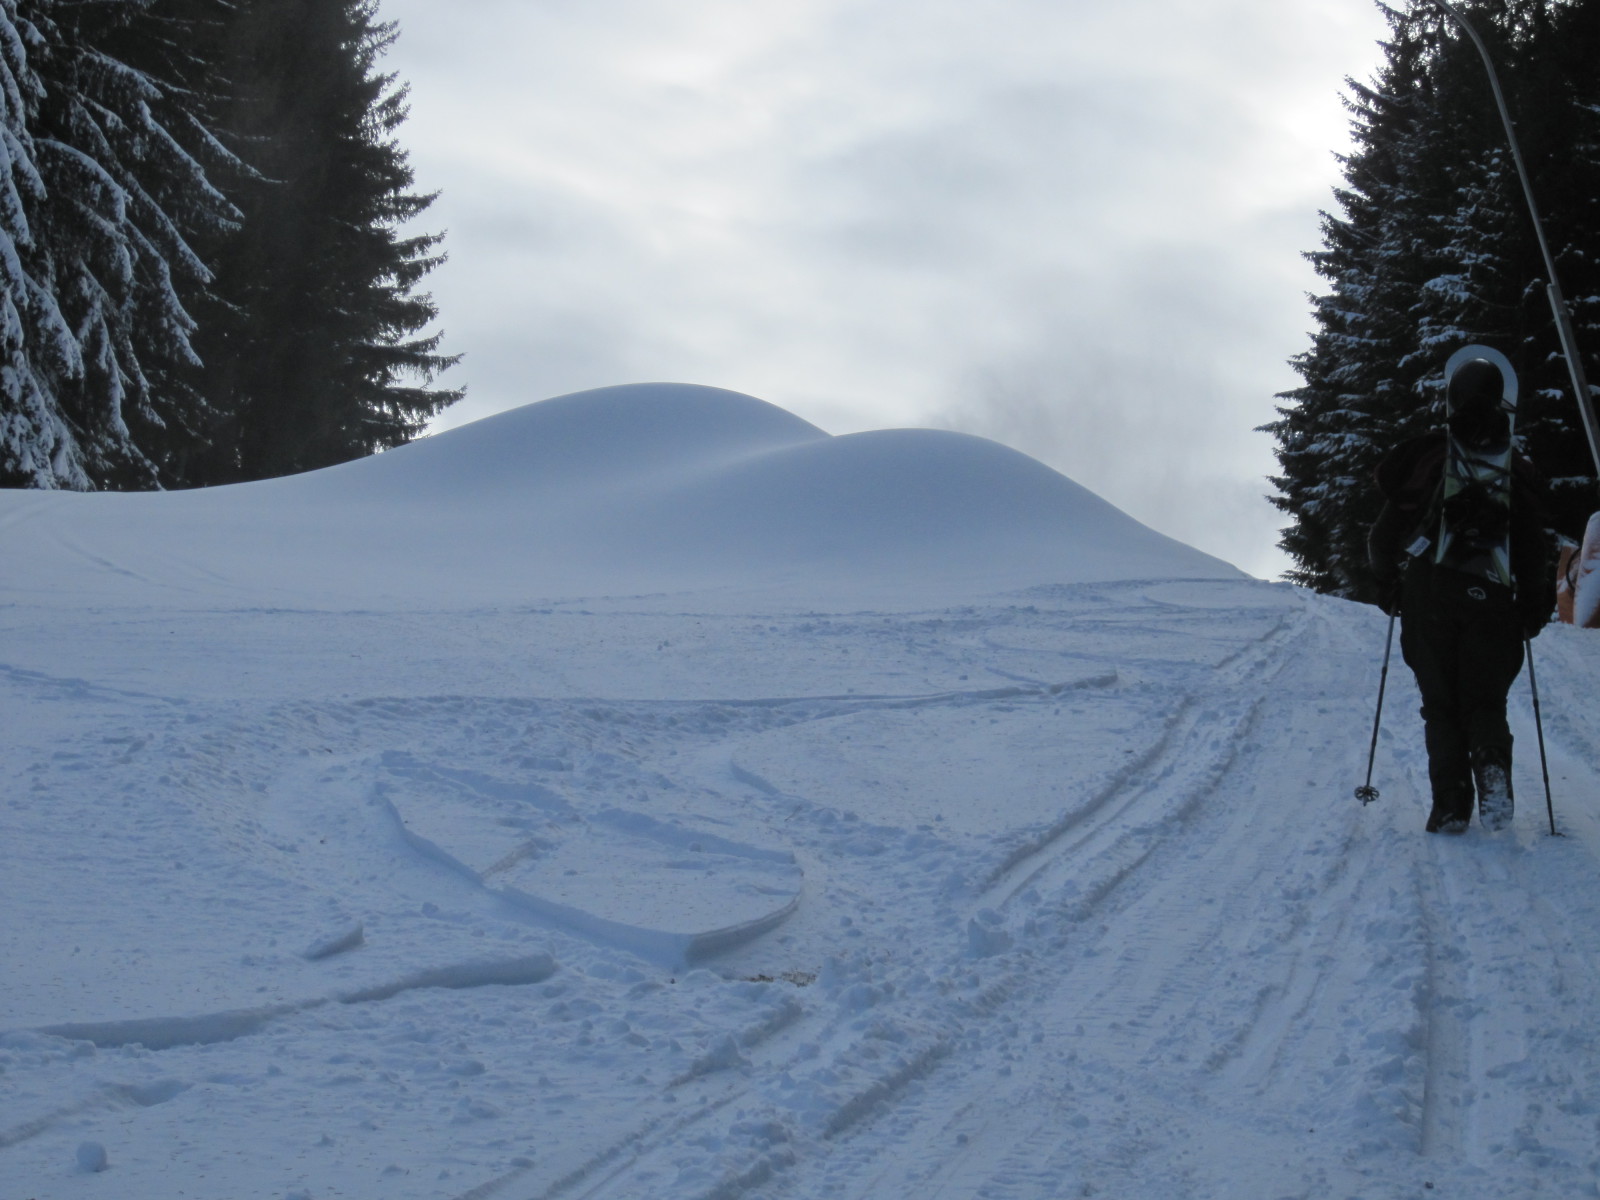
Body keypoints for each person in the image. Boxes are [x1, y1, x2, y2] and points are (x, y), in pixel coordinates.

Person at [1367, 351, 1554, 833]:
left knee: (1441, 704)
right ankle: (1491, 762)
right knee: (1485, 701)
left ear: (1451, 398)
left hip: (1429, 592)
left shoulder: (1428, 456)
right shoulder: (1519, 470)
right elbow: (1535, 551)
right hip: (1492, 599)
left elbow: (1381, 540)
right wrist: (1534, 610)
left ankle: (1450, 804)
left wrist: (1388, 586)